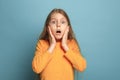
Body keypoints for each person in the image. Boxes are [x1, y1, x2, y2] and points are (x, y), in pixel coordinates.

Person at [32, 8, 87, 80]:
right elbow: (36, 68)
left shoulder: (71, 44)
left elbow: (81, 66)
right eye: (54, 22)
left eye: (63, 22)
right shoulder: (42, 44)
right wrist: (52, 46)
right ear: (48, 27)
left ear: (68, 28)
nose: (58, 25)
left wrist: (65, 46)